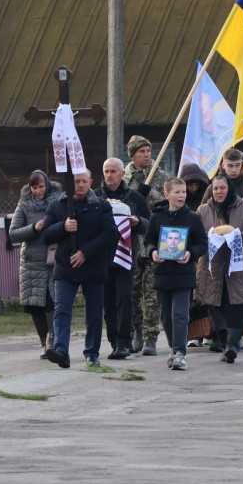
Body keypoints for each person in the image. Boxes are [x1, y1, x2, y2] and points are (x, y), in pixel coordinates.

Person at [41, 169, 119, 368]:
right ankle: (61, 352)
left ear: (91, 181)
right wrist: (63, 227)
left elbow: (110, 234)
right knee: (62, 310)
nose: (81, 185)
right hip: (66, 267)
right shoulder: (57, 206)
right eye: (77, 181)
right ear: (69, 182)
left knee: (93, 313)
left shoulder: (100, 205)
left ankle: (92, 352)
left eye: (84, 181)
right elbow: (45, 235)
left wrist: (86, 252)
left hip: (93, 266)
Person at [196, 175, 243, 363]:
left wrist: (236, 235)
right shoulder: (203, 210)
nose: (219, 192)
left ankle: (232, 344)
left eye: (222, 188)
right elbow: (196, 235)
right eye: (215, 188)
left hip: (237, 265)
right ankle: (225, 344)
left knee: (236, 304)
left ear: (229, 189)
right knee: (215, 304)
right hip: (212, 265)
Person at [145, 178, 207, 370]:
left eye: (184, 192)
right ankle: (174, 348)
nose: (182, 196)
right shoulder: (157, 217)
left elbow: (202, 243)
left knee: (180, 314)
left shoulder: (193, 217)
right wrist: (152, 252)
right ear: (167, 194)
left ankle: (180, 353)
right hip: (162, 273)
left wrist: (191, 253)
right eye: (177, 192)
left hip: (184, 272)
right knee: (166, 316)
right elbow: (149, 241)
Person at [97, 157, 150, 360]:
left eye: (113, 171)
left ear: (122, 174)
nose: (109, 175)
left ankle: (124, 343)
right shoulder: (96, 197)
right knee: (108, 302)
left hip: (126, 256)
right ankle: (113, 341)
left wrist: (138, 222)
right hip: (102, 257)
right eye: (106, 171)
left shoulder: (134, 198)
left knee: (125, 298)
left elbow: (149, 223)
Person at [8, 170, 61, 358]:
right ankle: (43, 341)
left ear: (47, 185)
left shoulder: (59, 201)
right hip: (32, 262)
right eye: (34, 187)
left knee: (53, 303)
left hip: (54, 260)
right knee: (36, 305)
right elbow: (13, 233)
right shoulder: (24, 205)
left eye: (41, 186)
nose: (38, 191)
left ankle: (52, 340)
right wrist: (34, 228)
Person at [124, 135, 168, 356]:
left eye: (149, 151)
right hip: (130, 244)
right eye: (142, 151)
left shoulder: (160, 177)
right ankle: (137, 332)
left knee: (151, 294)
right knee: (131, 293)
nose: (147, 155)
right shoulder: (124, 177)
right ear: (132, 155)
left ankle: (151, 337)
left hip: (153, 243)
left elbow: (168, 203)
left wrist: (149, 191)